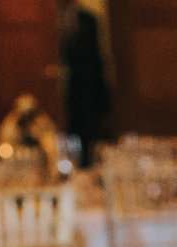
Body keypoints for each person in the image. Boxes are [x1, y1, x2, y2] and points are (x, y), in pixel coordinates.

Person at [60, 0, 113, 159]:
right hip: (64, 86)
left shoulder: (88, 19)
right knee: (69, 130)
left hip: (86, 83)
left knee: (90, 128)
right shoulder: (52, 20)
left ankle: (90, 160)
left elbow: (96, 56)